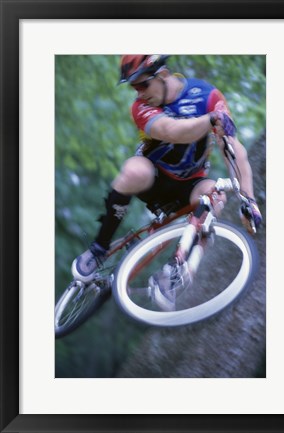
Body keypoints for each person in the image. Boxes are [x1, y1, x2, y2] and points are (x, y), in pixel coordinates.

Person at [71, 54, 262, 295]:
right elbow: (173, 131)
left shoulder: (207, 95)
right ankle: (99, 248)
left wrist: (249, 199)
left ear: (162, 75)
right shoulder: (141, 107)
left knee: (215, 195)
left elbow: (232, 149)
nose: (139, 93)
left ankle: (176, 273)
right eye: (133, 87)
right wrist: (211, 119)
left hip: (191, 183)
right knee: (133, 169)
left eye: (142, 84)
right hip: (154, 179)